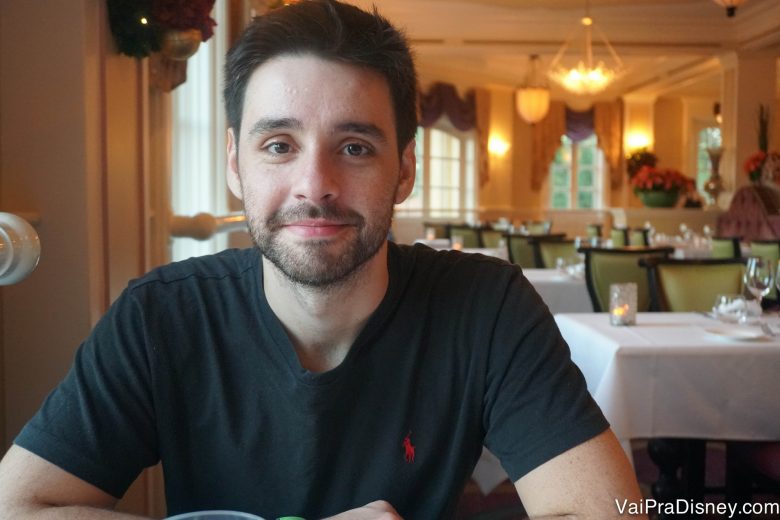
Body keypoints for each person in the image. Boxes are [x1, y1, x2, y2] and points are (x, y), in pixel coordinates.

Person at [0, 1, 645, 519]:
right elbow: (19, 503)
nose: (315, 184)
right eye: (279, 144)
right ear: (234, 163)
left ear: (406, 169)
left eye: (356, 147)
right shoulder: (160, 316)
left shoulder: (487, 308)